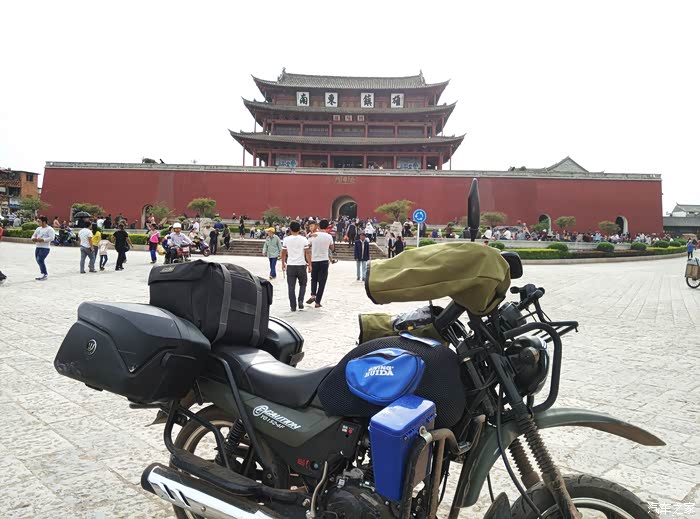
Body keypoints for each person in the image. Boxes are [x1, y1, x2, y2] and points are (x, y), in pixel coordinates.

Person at [281, 221, 311, 312]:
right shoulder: (304, 239)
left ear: (290, 229)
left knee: (291, 287)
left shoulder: (286, 239)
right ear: (300, 229)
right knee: (303, 284)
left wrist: (283, 263)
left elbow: (283, 253)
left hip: (291, 265)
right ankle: (300, 300)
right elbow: (307, 253)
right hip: (301, 265)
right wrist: (310, 264)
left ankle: (293, 306)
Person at [307, 219, 334, 308]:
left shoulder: (313, 235)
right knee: (322, 282)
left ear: (318, 226)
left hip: (314, 260)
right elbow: (332, 248)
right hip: (324, 261)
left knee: (313, 279)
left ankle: (313, 295)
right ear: (327, 227)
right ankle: (317, 302)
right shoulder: (329, 236)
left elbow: (308, 245)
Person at [31, 216, 55, 280]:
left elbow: (52, 238)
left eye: (39, 221)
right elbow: (33, 235)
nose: (38, 223)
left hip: (45, 248)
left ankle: (44, 274)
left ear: (44, 222)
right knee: (38, 260)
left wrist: (43, 240)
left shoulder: (50, 229)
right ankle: (42, 273)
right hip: (38, 247)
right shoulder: (38, 229)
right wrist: (33, 239)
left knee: (40, 259)